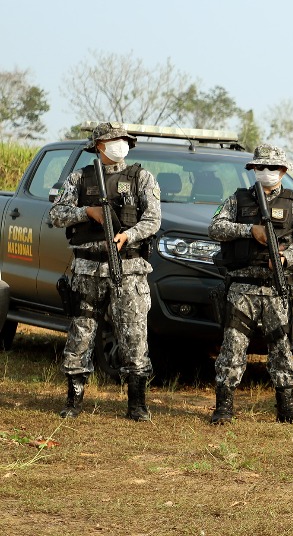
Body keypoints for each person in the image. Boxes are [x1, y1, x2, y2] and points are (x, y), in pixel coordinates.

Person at [49, 122, 161, 421]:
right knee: (80, 336)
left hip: (128, 269)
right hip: (86, 269)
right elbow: (56, 215)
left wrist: (129, 236)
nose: (120, 144)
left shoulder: (142, 178)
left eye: (124, 140)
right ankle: (74, 400)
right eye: (114, 140)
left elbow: (153, 220)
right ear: (99, 145)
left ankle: (137, 404)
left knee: (134, 336)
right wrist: (87, 212)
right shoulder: (79, 178)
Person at [207, 144, 293, 425]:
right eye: (262, 167)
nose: (268, 172)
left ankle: (287, 407)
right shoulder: (238, 199)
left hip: (277, 287)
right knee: (233, 347)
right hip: (242, 286)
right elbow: (215, 226)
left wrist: (286, 257)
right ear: (254, 169)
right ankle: (224, 407)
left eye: (274, 168)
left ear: (283, 171)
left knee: (281, 347)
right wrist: (248, 230)